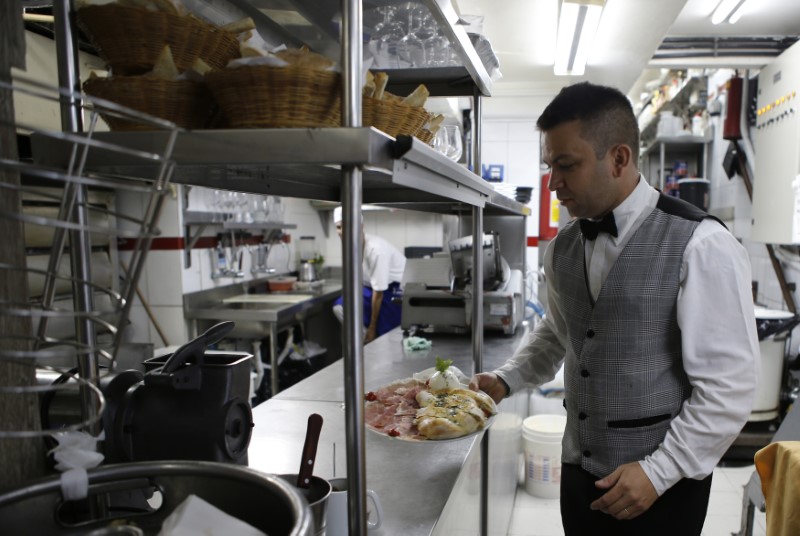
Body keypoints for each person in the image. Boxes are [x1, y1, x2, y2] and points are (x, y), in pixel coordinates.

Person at [470, 82, 759, 535]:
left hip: (661, 488)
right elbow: (561, 330)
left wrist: (659, 471)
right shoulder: (562, 245)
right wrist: (507, 378)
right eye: (550, 165)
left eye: (566, 166)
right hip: (579, 478)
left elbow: (731, 387)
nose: (553, 183)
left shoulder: (702, 245)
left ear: (619, 159)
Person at [332, 206, 406, 343]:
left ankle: (372, 339)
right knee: (340, 306)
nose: (342, 232)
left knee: (385, 339)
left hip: (395, 291)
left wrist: (372, 328)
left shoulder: (376, 250)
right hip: (371, 289)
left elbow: (379, 293)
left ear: (361, 227)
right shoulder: (351, 247)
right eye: (338, 227)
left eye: (348, 226)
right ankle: (363, 342)